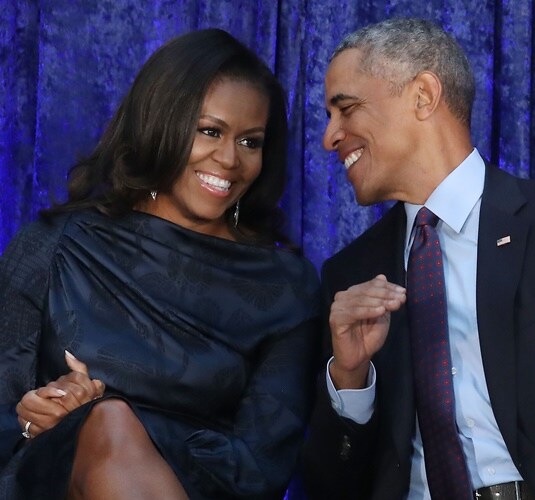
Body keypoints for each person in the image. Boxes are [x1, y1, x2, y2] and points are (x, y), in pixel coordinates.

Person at [0, 29, 320, 499]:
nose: (230, 159)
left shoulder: (285, 286)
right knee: (109, 423)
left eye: (250, 142)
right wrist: (37, 419)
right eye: (210, 131)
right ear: (160, 124)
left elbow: (261, 468)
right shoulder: (55, 245)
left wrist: (122, 421)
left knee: (112, 419)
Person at [302, 17, 535, 500]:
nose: (329, 137)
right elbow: (330, 485)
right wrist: (350, 379)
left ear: (423, 95)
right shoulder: (350, 274)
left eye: (347, 109)